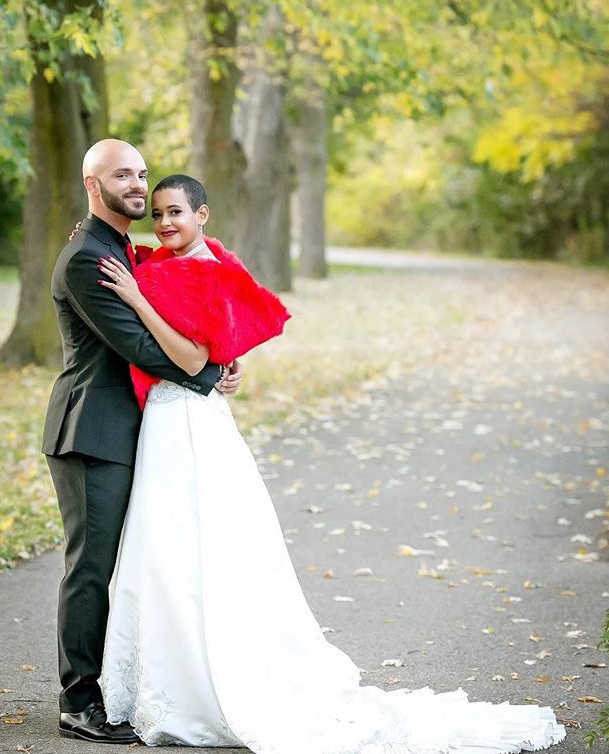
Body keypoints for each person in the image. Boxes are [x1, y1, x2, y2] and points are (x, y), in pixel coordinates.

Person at [96, 174, 566, 754]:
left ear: (204, 215)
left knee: (193, 548)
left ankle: (208, 686)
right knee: (170, 553)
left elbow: (194, 356)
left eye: (176, 213)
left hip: (187, 424)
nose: (165, 223)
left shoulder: (206, 269)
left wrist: (140, 301)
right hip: (171, 423)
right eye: (158, 214)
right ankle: (176, 680)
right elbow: (198, 321)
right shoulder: (185, 261)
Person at [41, 140, 242, 744]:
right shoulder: (90, 259)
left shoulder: (122, 247)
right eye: (121, 175)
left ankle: (121, 688)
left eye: (141, 174)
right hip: (92, 432)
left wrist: (224, 353)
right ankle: (78, 701)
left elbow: (199, 285)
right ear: (91, 185)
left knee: (132, 565)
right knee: (91, 568)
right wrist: (211, 373)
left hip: (131, 431)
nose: (136, 184)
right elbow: (138, 345)